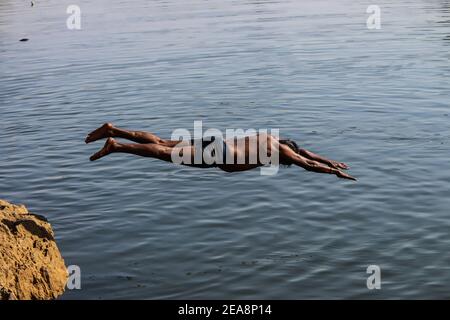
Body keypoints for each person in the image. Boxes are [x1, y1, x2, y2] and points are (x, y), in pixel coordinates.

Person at [85, 123, 356, 180]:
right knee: (162, 154)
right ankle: (117, 146)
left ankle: (114, 130)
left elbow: (306, 153)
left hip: (219, 142)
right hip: (221, 156)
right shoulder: (281, 152)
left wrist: (331, 160)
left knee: (164, 142)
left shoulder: (272, 137)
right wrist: (332, 172)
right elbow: (306, 162)